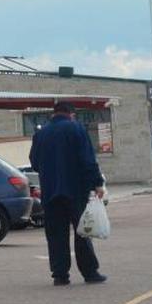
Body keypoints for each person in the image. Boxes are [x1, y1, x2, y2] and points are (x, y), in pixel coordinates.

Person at [29, 101, 107, 286]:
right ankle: (90, 272)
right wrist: (97, 183)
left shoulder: (41, 133)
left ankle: (60, 275)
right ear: (71, 114)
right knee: (82, 231)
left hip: (50, 191)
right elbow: (88, 159)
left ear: (54, 114)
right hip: (75, 189)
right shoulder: (76, 129)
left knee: (55, 234)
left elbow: (34, 162)